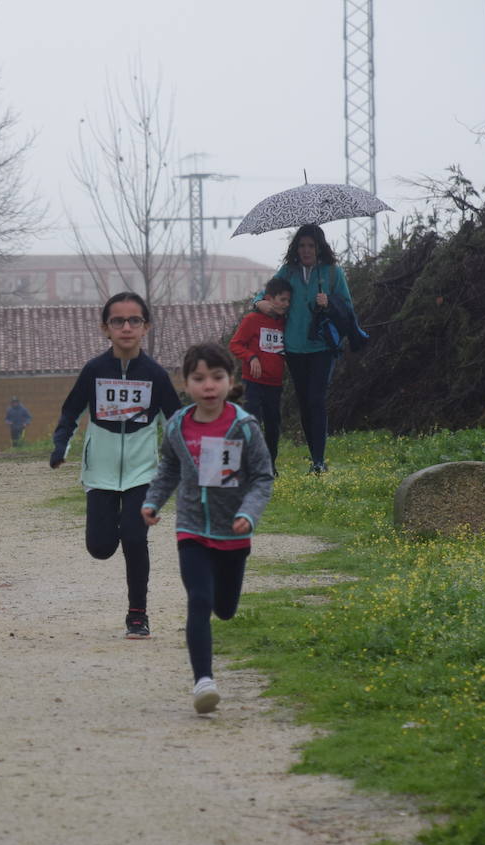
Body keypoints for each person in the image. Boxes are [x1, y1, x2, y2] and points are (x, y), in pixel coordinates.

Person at [142, 342, 273, 714]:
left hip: (234, 533)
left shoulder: (244, 427)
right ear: (186, 383)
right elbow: (168, 469)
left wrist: (249, 513)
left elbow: (263, 477)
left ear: (230, 381)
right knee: (198, 600)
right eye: (199, 379)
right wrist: (152, 502)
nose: (209, 386)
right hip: (192, 530)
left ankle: (220, 603)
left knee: (225, 608)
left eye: (217, 377)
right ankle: (203, 681)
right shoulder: (177, 426)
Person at [50, 292, 183, 638]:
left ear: (146, 327)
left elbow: (176, 419)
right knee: (101, 547)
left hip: (142, 471)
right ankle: (116, 527)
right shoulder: (95, 370)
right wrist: (60, 445)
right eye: (118, 321)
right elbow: (70, 411)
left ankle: (137, 615)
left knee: (135, 539)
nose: (126, 327)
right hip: (101, 472)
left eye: (134, 320)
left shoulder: (154, 374)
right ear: (105, 329)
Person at [268, 223, 356, 474]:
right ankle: (313, 455)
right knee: (305, 402)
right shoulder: (288, 272)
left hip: (322, 347)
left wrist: (329, 301)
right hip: (295, 347)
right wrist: (258, 305)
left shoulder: (331, 273)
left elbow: (348, 307)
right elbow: (267, 295)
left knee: (316, 399)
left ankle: (319, 460)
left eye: (311, 245)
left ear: (319, 248)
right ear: (296, 248)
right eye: (302, 245)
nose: (306, 250)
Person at [228, 276, 291, 465]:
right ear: (269, 299)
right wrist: (251, 357)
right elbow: (235, 344)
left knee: (273, 426)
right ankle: (250, 463)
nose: (286, 305)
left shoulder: (285, 323)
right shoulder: (252, 320)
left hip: (274, 384)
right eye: (282, 300)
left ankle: (270, 465)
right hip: (253, 383)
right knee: (252, 425)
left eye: (289, 301)